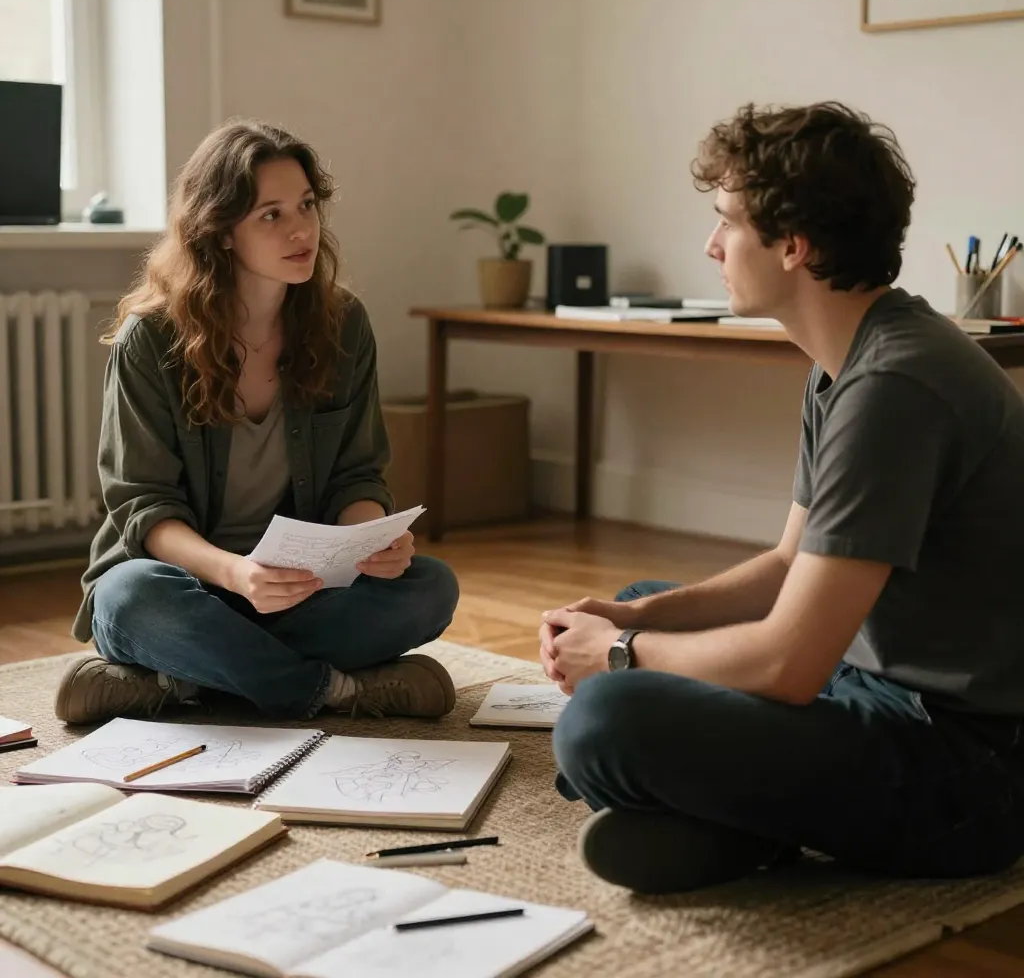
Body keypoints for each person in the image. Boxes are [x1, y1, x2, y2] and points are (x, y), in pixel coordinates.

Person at [541, 101, 1024, 895]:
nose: (710, 244)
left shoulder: (896, 385)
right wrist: (632, 622)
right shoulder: (847, 358)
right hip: (868, 682)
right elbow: (788, 562)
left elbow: (789, 663)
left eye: (726, 221)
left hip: (964, 770)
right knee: (641, 601)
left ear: (793, 246)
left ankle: (744, 820)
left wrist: (619, 656)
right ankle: (751, 822)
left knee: (606, 719)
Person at [56, 119, 460, 726]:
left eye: (305, 205)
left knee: (430, 586)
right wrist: (236, 574)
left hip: (300, 592)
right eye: (270, 214)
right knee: (129, 598)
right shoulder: (152, 338)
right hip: (187, 581)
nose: (301, 229)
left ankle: (176, 681)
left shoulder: (343, 323)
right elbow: (143, 506)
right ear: (219, 232)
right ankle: (337, 692)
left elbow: (357, 474)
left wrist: (371, 539)